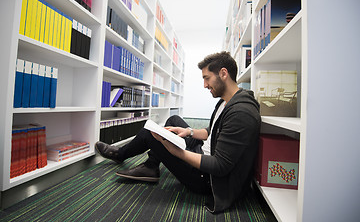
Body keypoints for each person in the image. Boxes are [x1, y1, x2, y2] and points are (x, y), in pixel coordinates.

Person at [95, 51, 261, 213]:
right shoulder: (228, 101)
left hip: (206, 179)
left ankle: (121, 155)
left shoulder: (241, 113)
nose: (204, 85)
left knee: (150, 134)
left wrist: (178, 152)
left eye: (206, 78)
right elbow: (213, 130)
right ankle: (151, 166)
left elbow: (220, 166)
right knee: (173, 122)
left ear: (223, 73)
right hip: (203, 151)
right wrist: (188, 131)